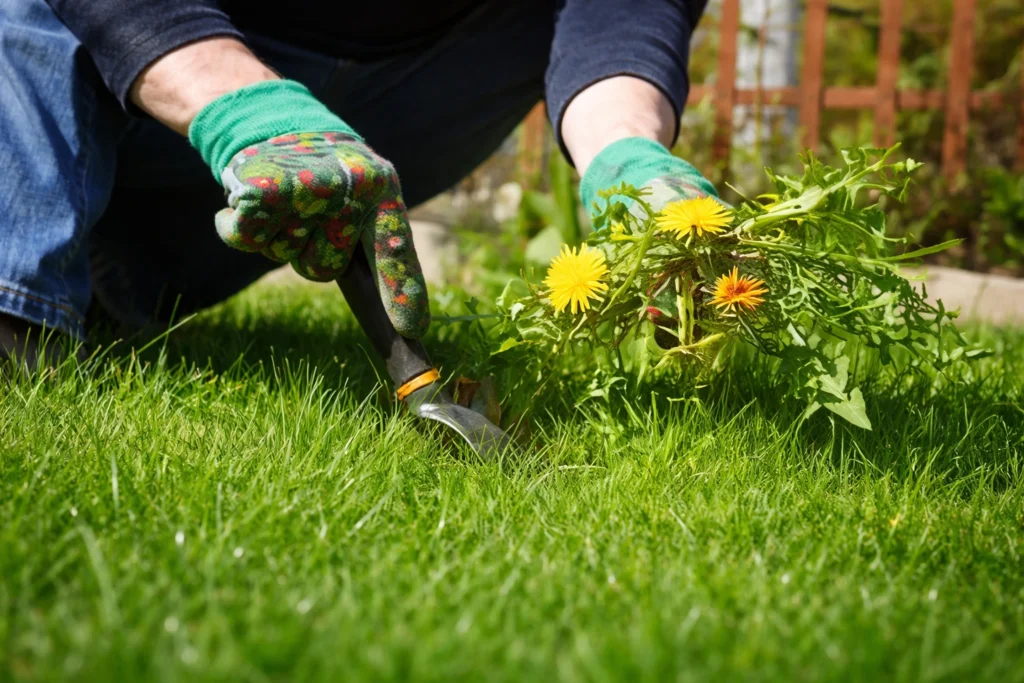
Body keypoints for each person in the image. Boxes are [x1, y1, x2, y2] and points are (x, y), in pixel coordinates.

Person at [0, 0, 718, 365]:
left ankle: (118, 287)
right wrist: (246, 108)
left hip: (404, 82)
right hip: (165, 56)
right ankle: (20, 309)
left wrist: (625, 155)